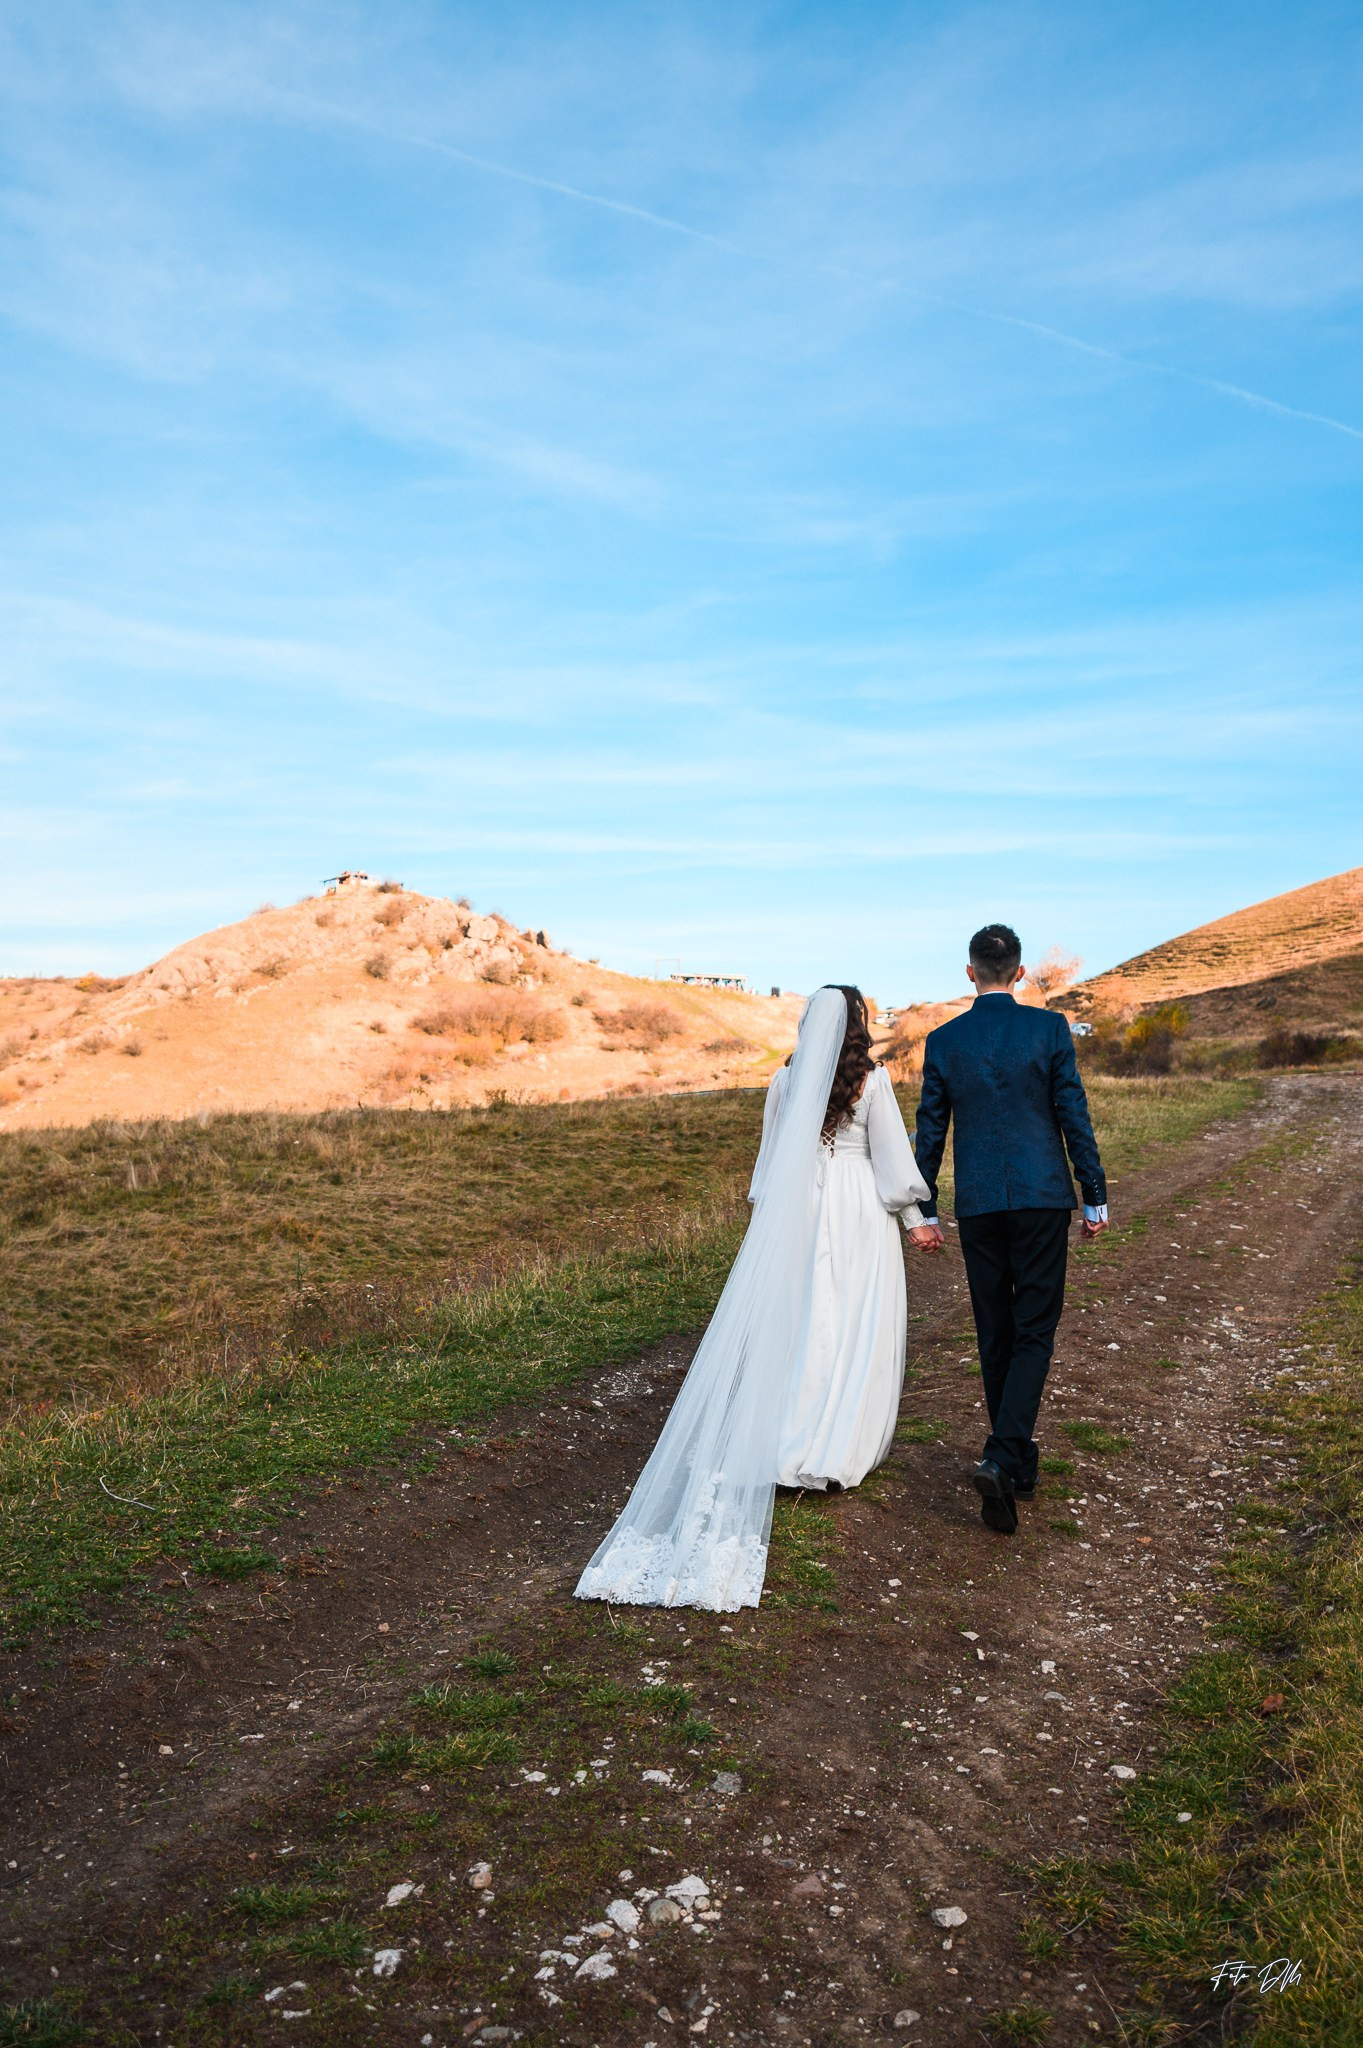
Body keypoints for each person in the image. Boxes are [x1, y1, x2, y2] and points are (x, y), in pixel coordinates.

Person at [575, 984, 930, 1611]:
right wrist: (914, 1220)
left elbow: (769, 1166)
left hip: (796, 1213)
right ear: (858, 1024)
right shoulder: (871, 1082)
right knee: (847, 1322)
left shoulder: (784, 1081)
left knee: (798, 1323)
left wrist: (769, 1223)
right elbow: (890, 1162)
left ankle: (784, 1439)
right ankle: (829, 1447)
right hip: (853, 1214)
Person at [909, 924, 1108, 1535]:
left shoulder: (943, 1042)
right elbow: (1071, 1110)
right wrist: (1092, 1193)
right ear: (1018, 973)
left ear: (971, 972)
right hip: (1043, 1196)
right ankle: (1003, 1451)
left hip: (979, 1203)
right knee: (1035, 1330)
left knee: (995, 1329)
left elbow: (930, 1132)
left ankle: (1015, 1461)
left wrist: (924, 1207)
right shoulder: (1048, 1029)